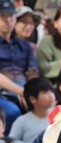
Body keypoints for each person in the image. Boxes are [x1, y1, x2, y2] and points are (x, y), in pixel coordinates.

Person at [0, 0, 38, 134]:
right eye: (2, 16)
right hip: (3, 93)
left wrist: (32, 93)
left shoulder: (25, 45)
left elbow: (33, 72)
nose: (7, 20)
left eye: (10, 16)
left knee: (47, 106)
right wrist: (21, 91)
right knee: (12, 112)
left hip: (25, 91)